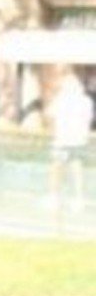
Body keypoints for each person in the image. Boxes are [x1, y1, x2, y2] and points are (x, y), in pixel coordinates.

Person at [47, 72, 92, 216]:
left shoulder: (61, 99)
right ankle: (78, 198)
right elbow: (89, 119)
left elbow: (50, 116)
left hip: (63, 140)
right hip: (79, 140)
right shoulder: (86, 101)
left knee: (57, 168)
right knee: (76, 168)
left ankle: (55, 197)